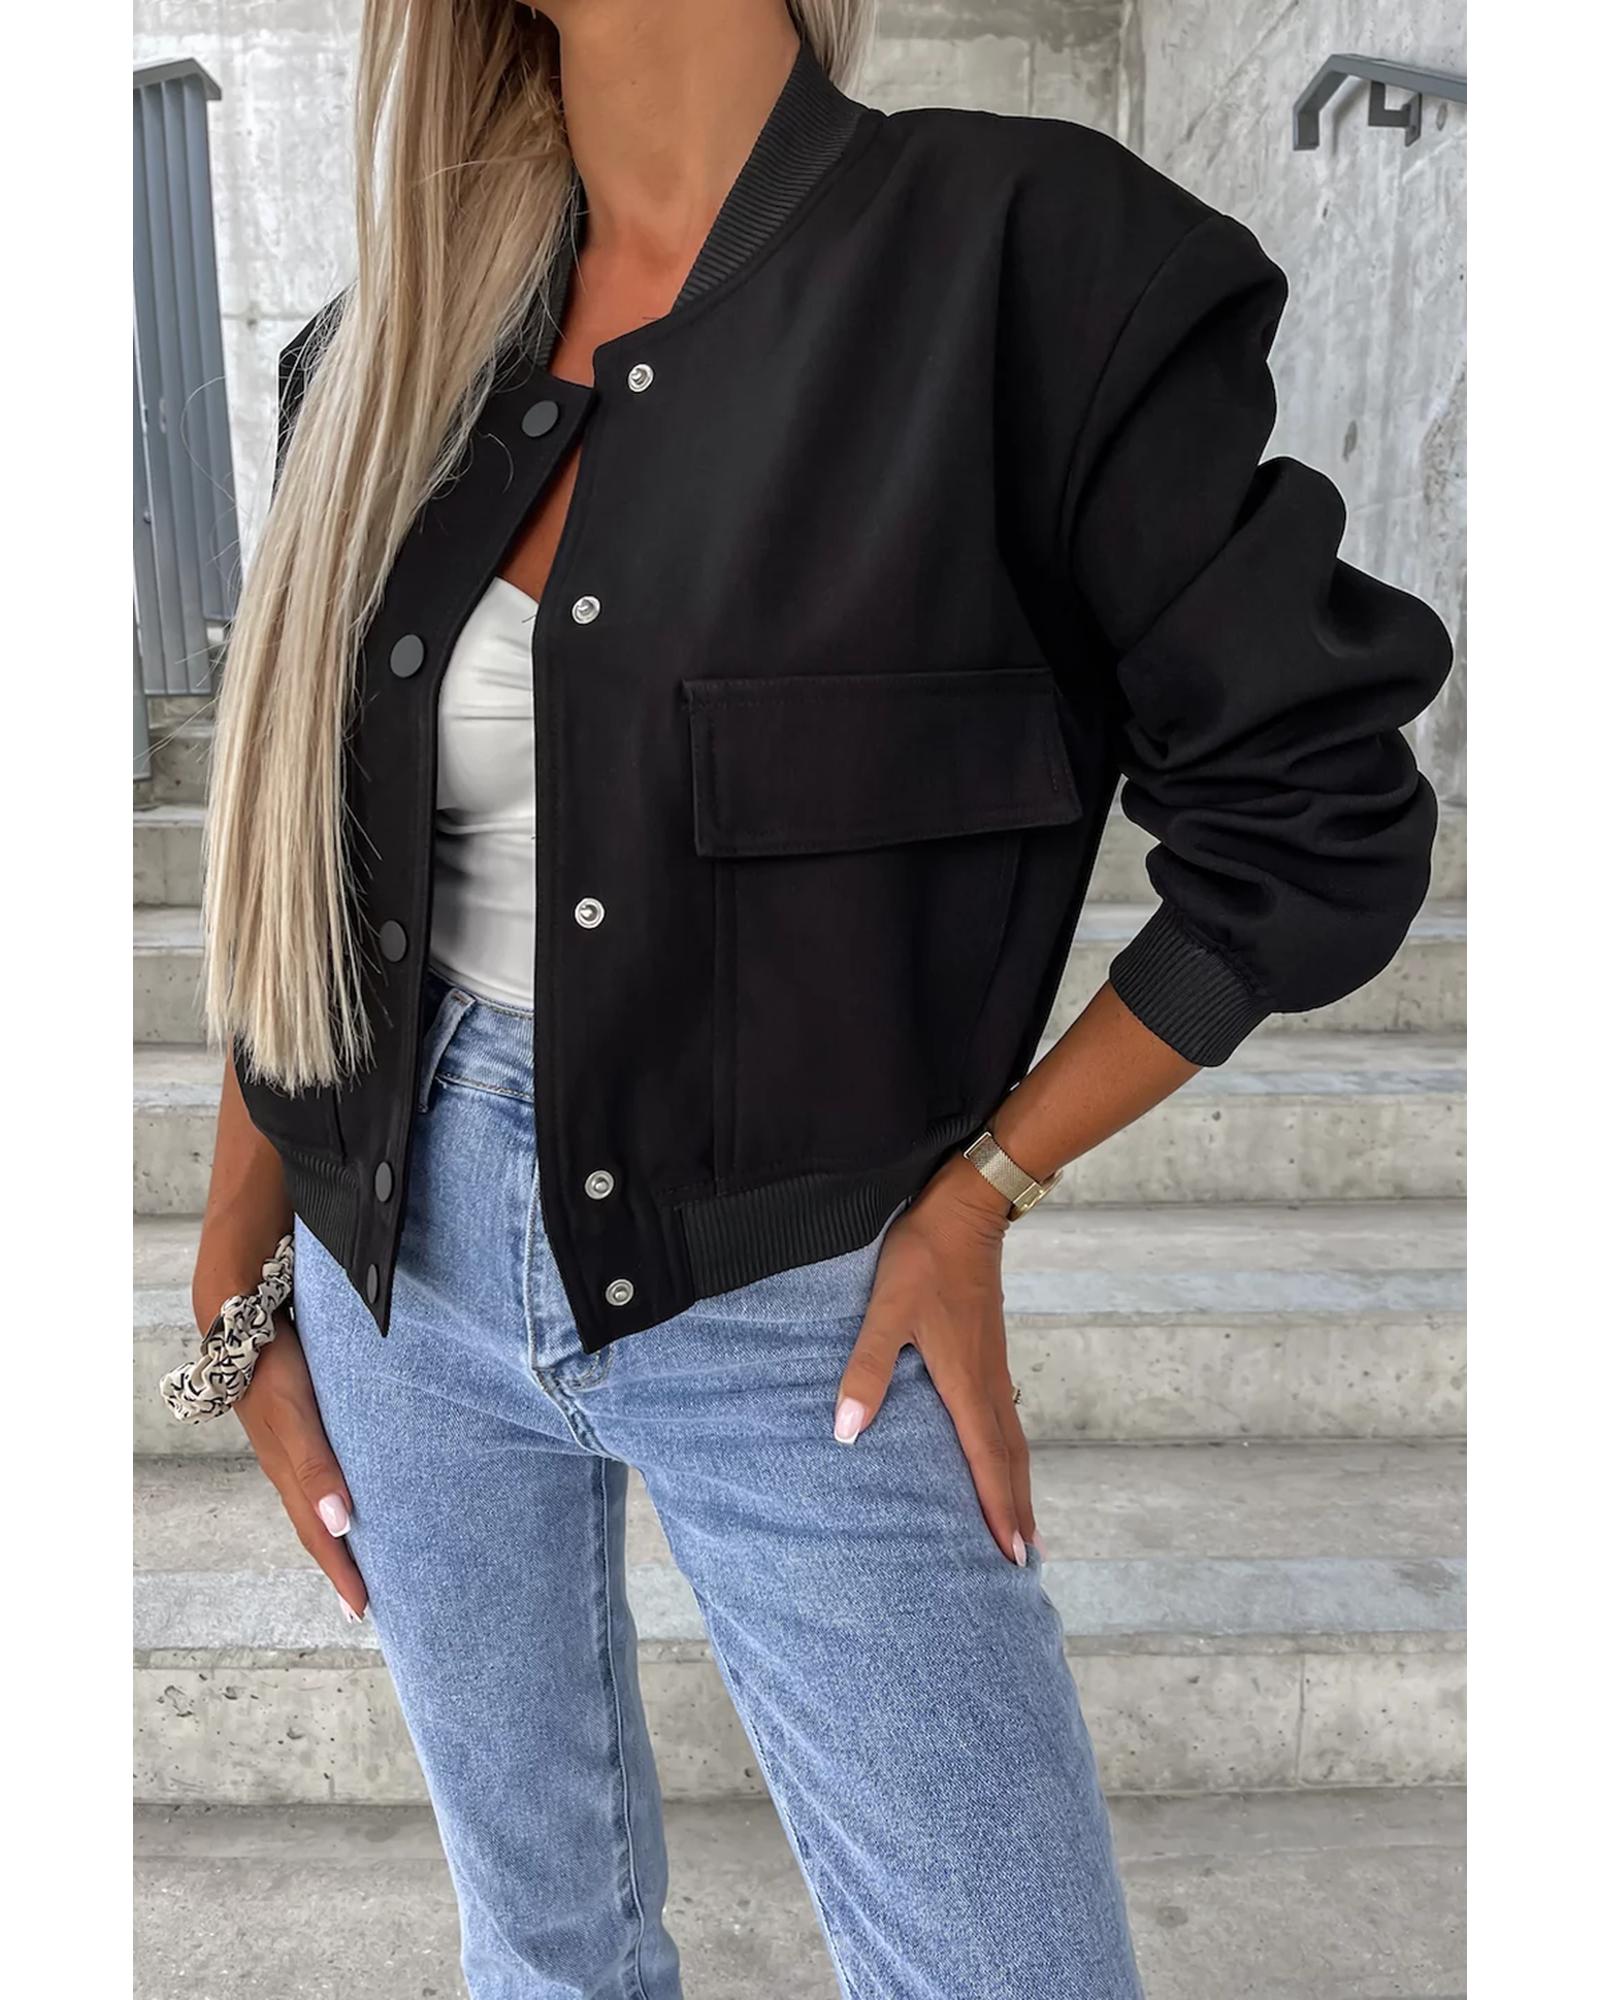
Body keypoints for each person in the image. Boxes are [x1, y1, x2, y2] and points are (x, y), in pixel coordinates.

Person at [182, 3, 1453, 1994]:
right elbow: (314, 858)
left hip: (803, 1304)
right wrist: (236, 1264)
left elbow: (1314, 816)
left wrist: (989, 1186)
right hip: (389, 1274)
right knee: (540, 1950)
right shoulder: (376, 357)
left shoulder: (1025, 266)